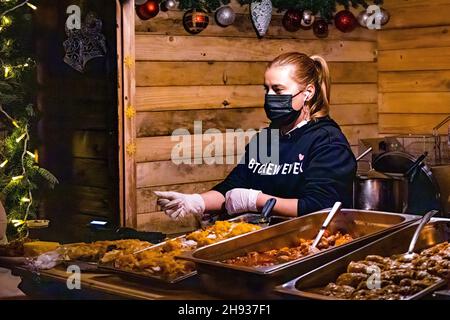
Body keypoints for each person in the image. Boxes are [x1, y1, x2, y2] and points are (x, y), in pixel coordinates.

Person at [155, 52, 356, 220]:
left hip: (310, 247)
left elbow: (321, 208)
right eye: (266, 89)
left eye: (278, 90)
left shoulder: (327, 141)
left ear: (308, 93)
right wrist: (195, 202)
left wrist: (257, 201)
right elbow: (235, 186)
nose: (269, 97)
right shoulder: (266, 138)